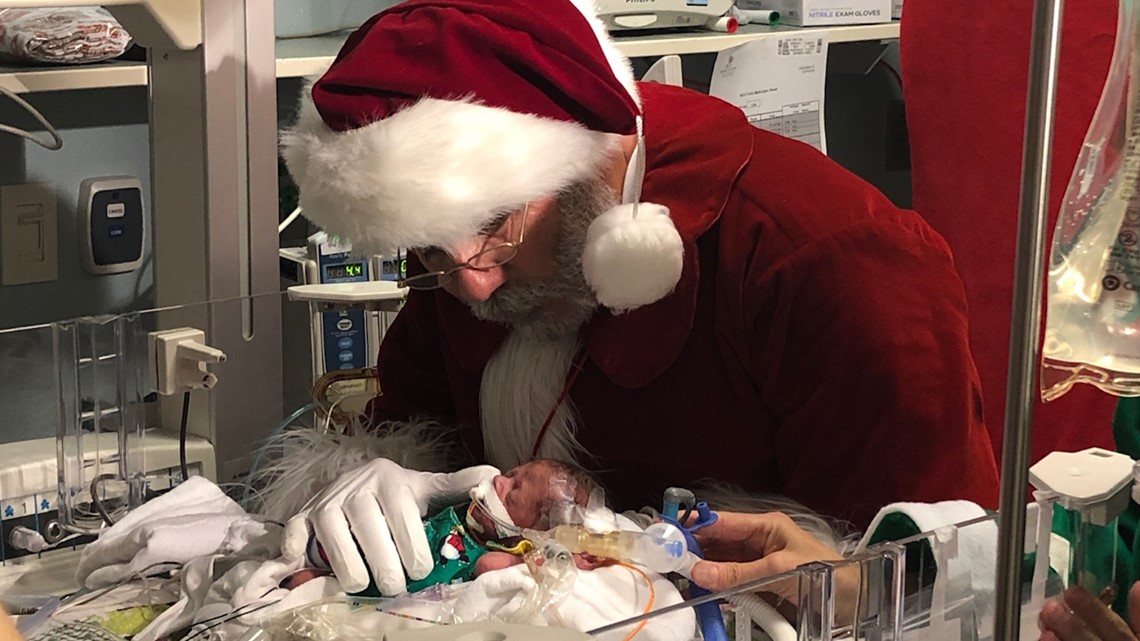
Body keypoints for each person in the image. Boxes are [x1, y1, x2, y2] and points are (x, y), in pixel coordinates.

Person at [270, 0, 1000, 596]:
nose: (471, 284)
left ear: (587, 148)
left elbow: (935, 571)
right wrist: (376, 478)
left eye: (495, 227)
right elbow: (407, 427)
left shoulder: (826, 259)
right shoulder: (466, 264)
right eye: (430, 248)